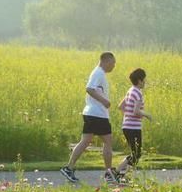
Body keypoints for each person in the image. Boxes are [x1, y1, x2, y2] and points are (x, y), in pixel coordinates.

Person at [60, 52, 117, 183]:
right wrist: (104, 101)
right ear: (106, 61)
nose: (114, 66)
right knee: (108, 141)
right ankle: (108, 173)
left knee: (85, 141)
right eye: (113, 63)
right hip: (97, 114)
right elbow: (89, 89)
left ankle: (69, 168)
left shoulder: (97, 72)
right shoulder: (99, 73)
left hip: (91, 113)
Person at [114, 68, 152, 180]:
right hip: (133, 127)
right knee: (136, 154)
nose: (145, 82)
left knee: (135, 153)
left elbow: (120, 106)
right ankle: (121, 174)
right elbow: (136, 111)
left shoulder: (130, 91)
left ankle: (120, 174)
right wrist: (146, 115)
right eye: (144, 80)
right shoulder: (138, 93)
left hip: (126, 126)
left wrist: (128, 117)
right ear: (139, 81)